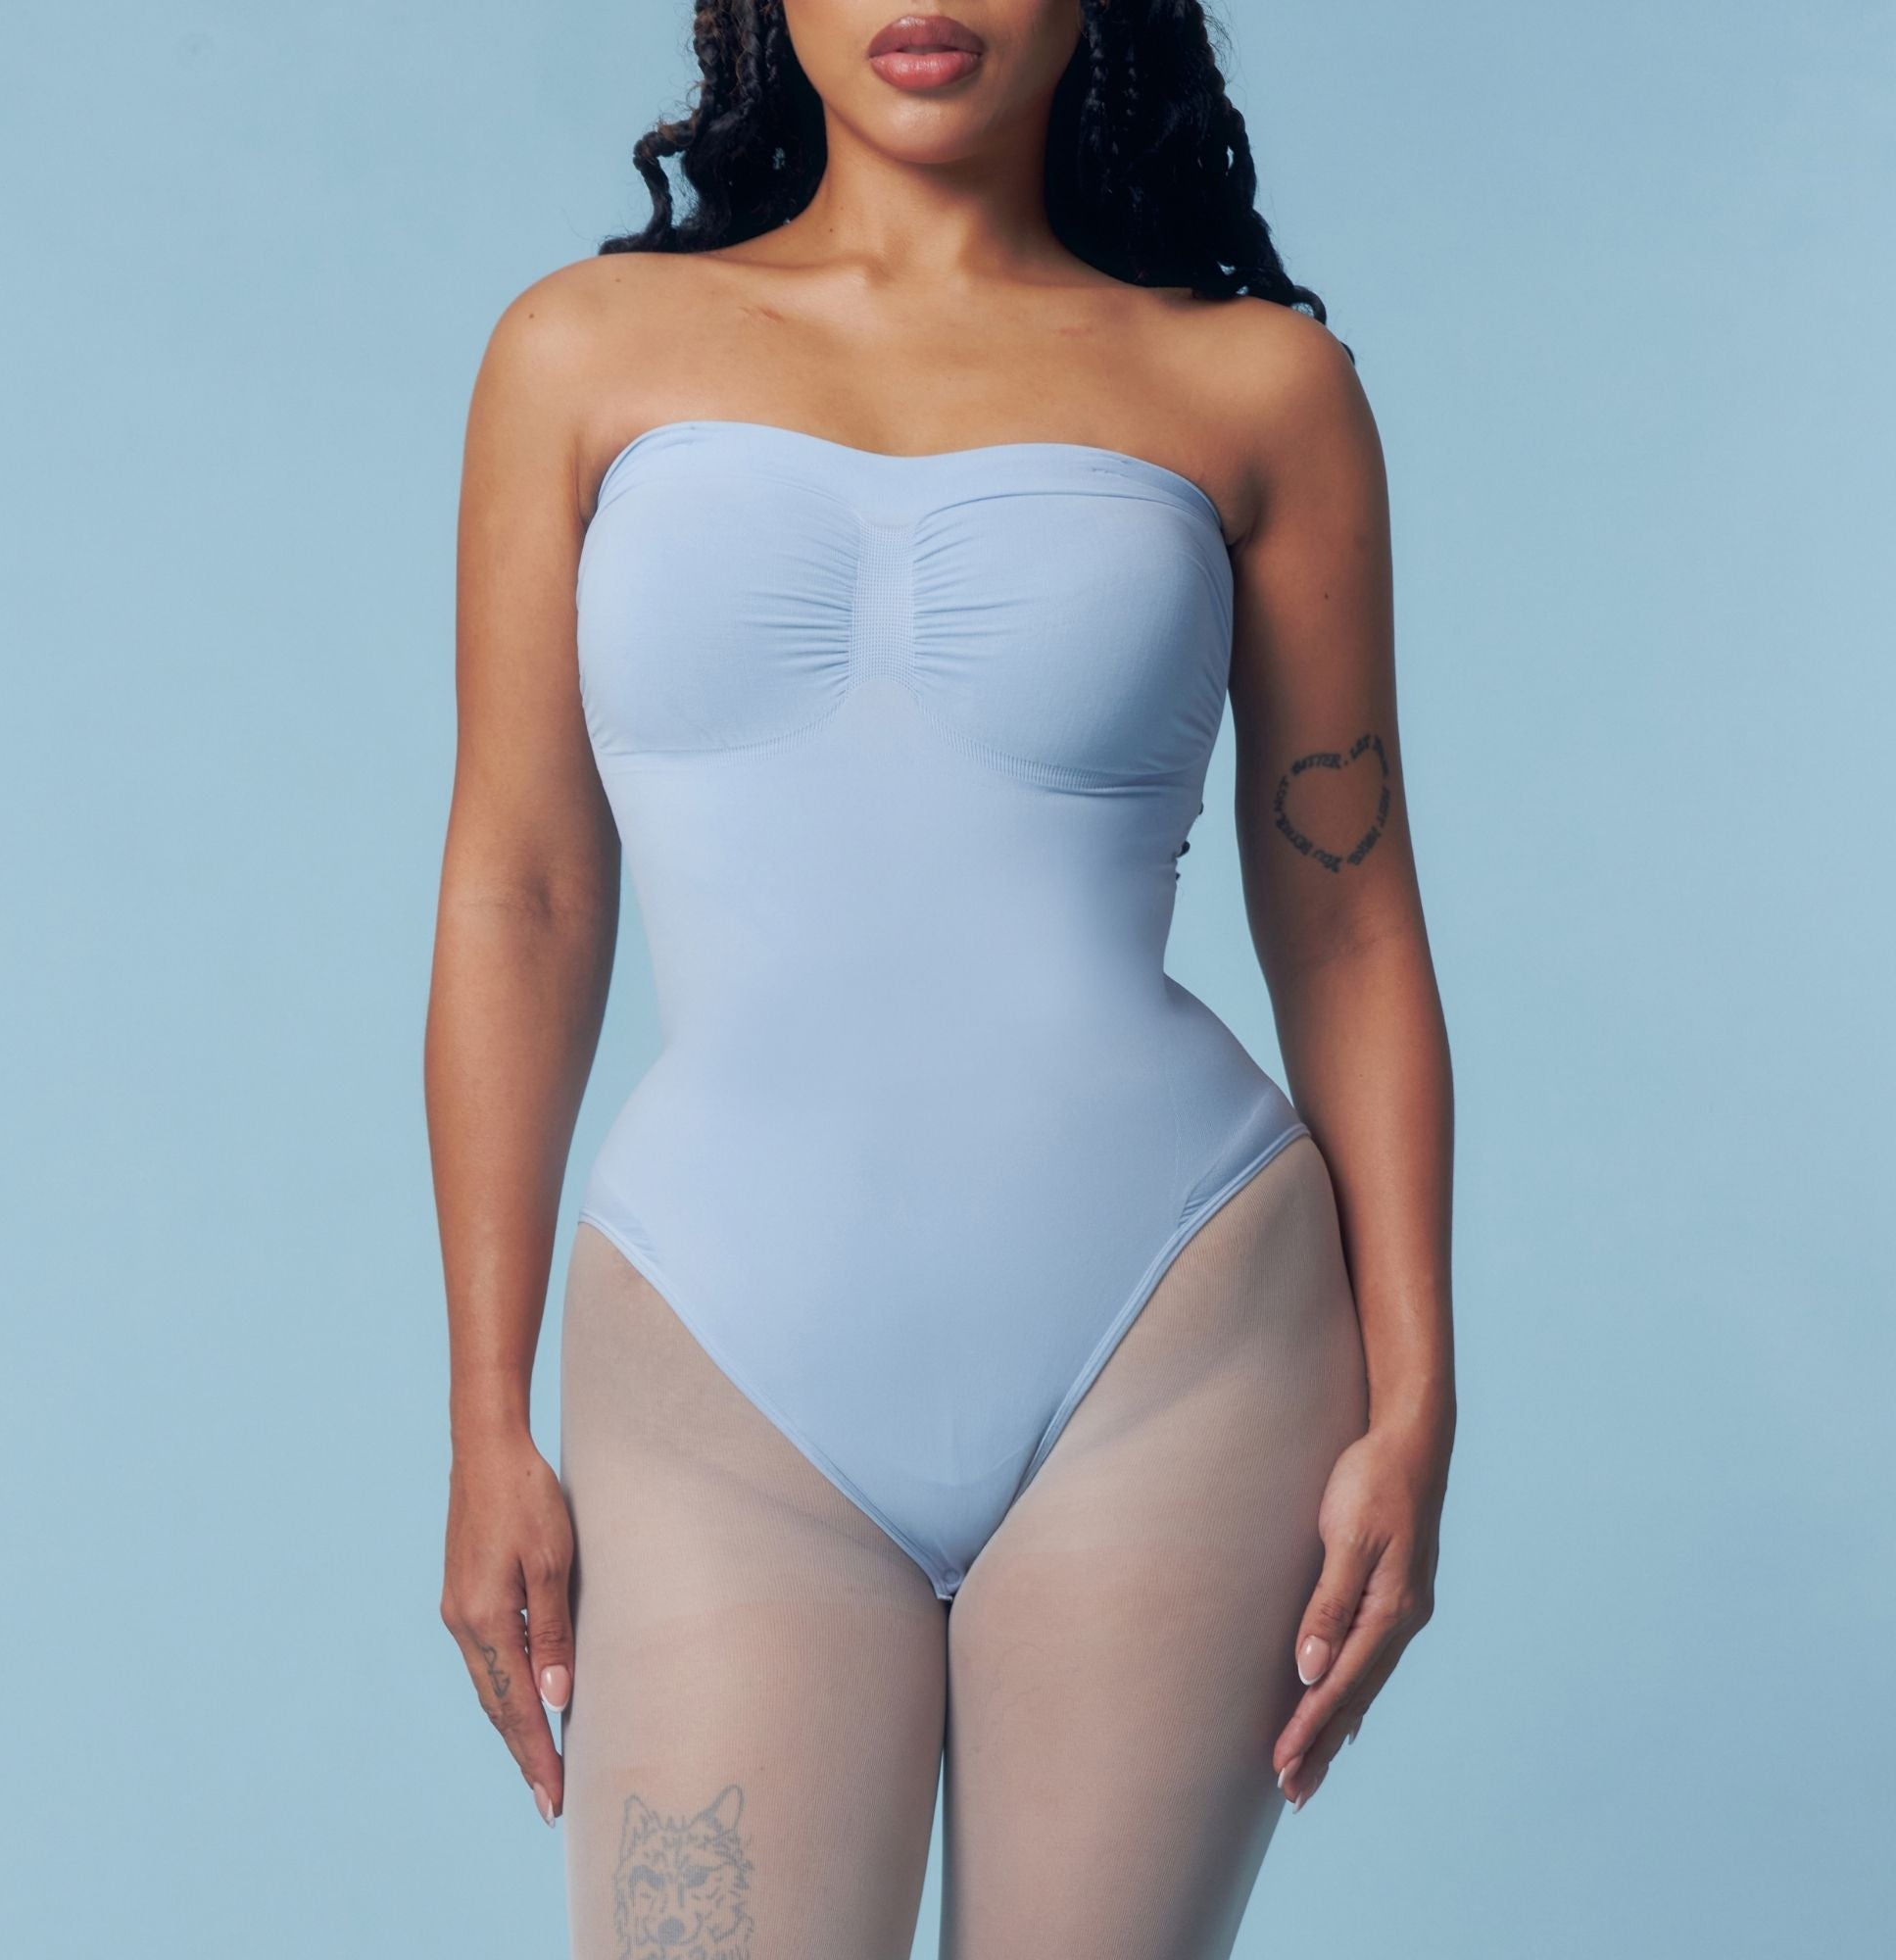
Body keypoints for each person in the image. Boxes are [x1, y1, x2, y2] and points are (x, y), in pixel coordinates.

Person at [424, 4, 1456, 1952]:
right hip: (719, 1347)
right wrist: (485, 1414)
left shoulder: (1255, 387)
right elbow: (521, 892)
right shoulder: (577, 353)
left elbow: (1348, 917)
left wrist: (1418, 1400)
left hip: (1175, 1340)